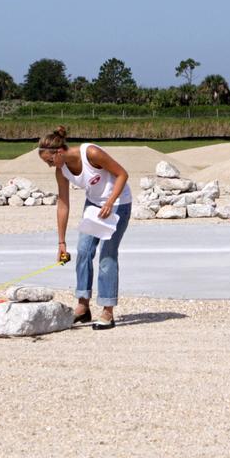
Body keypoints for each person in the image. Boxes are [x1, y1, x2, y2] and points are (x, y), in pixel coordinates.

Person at [38, 126, 131, 330]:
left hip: (118, 204)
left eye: (49, 161)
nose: (49, 165)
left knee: (107, 255)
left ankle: (107, 311)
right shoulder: (61, 170)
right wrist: (61, 243)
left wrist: (110, 202)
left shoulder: (91, 153)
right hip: (94, 205)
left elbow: (123, 174)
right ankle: (83, 306)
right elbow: (63, 203)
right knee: (83, 251)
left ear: (59, 152)